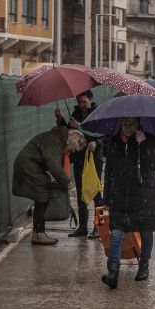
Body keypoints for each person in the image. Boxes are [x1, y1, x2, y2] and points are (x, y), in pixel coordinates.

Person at [98, 115, 155, 288]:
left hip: (144, 193)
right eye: (125, 124)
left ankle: (144, 265)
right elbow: (109, 170)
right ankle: (113, 272)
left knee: (145, 230)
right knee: (117, 232)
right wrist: (106, 197)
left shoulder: (149, 138)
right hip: (120, 194)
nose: (128, 127)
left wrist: (144, 145)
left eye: (132, 124)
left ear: (138, 124)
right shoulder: (113, 142)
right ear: (119, 123)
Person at [12, 121, 80, 246]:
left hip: (30, 165)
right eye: (74, 147)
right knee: (42, 195)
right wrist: (67, 182)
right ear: (72, 138)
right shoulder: (55, 141)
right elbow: (54, 167)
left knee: (42, 195)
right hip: (27, 165)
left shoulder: (57, 139)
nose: (72, 151)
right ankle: (39, 234)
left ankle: (37, 233)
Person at [66, 92, 97, 239]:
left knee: (95, 191)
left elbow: (103, 133)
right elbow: (70, 132)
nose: (81, 105)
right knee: (81, 193)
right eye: (79, 102)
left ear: (91, 100)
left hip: (93, 157)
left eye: (84, 102)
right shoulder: (76, 113)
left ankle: (99, 226)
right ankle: (83, 227)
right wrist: (61, 120)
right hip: (79, 157)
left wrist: (96, 142)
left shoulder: (97, 113)